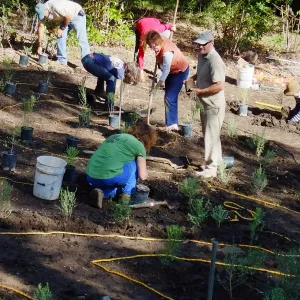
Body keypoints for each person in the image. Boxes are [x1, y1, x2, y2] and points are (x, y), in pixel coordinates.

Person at [86, 122, 157, 208]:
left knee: (116, 190)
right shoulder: (139, 145)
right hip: (108, 178)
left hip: (90, 176)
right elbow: (142, 176)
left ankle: (101, 193)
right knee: (133, 164)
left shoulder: (115, 136)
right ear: (148, 138)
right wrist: (145, 172)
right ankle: (126, 196)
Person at [188, 31, 226, 178]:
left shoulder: (215, 61)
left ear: (211, 43)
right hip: (205, 102)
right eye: (198, 44)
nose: (199, 47)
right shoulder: (202, 55)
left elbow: (219, 85)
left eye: (203, 45)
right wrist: (193, 78)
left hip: (214, 105)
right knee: (209, 135)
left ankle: (211, 169)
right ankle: (215, 161)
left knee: (211, 136)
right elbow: (201, 71)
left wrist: (200, 91)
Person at [144, 30, 189, 131]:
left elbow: (165, 73)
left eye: (154, 46)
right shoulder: (162, 36)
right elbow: (167, 32)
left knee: (170, 97)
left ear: (159, 42)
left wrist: (155, 88)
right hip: (170, 71)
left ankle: (172, 125)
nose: (152, 48)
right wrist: (171, 27)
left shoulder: (167, 54)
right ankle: (172, 122)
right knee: (169, 97)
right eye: (150, 46)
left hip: (179, 71)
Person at [35, 0, 90, 65]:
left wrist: (61, 29)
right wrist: (39, 45)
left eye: (44, 14)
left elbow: (68, 16)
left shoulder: (56, 6)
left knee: (81, 38)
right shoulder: (42, 10)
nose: (44, 17)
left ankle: (87, 61)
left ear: (46, 9)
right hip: (65, 18)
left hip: (77, 15)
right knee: (60, 36)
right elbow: (41, 27)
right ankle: (62, 60)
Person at [134, 18, 176, 82]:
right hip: (141, 24)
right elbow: (141, 54)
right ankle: (137, 69)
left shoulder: (159, 28)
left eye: (153, 46)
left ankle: (160, 70)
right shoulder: (143, 37)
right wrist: (141, 72)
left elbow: (169, 26)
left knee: (160, 49)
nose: (151, 49)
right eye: (150, 46)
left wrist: (173, 27)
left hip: (155, 21)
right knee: (138, 49)